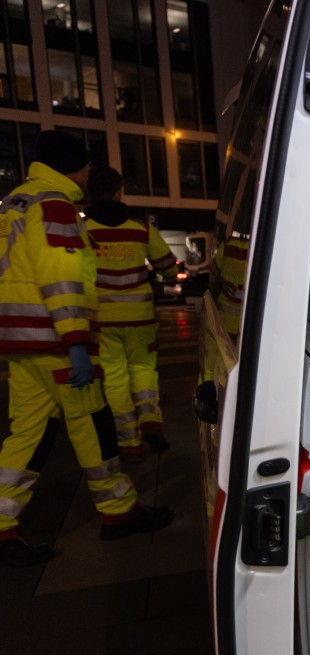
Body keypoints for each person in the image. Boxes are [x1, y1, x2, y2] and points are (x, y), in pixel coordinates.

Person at [0, 130, 172, 567]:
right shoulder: (54, 204)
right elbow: (62, 275)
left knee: (28, 432)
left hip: (21, 340)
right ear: (75, 166)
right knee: (91, 424)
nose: (88, 172)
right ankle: (118, 510)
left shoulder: (14, 202)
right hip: (56, 340)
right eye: (87, 164)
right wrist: (76, 340)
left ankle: (2, 523)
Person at [84, 166, 179, 462]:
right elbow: (170, 268)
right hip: (139, 316)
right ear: (119, 191)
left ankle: (128, 442)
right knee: (142, 368)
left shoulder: (81, 230)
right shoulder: (140, 228)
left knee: (113, 376)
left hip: (101, 318)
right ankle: (150, 419)